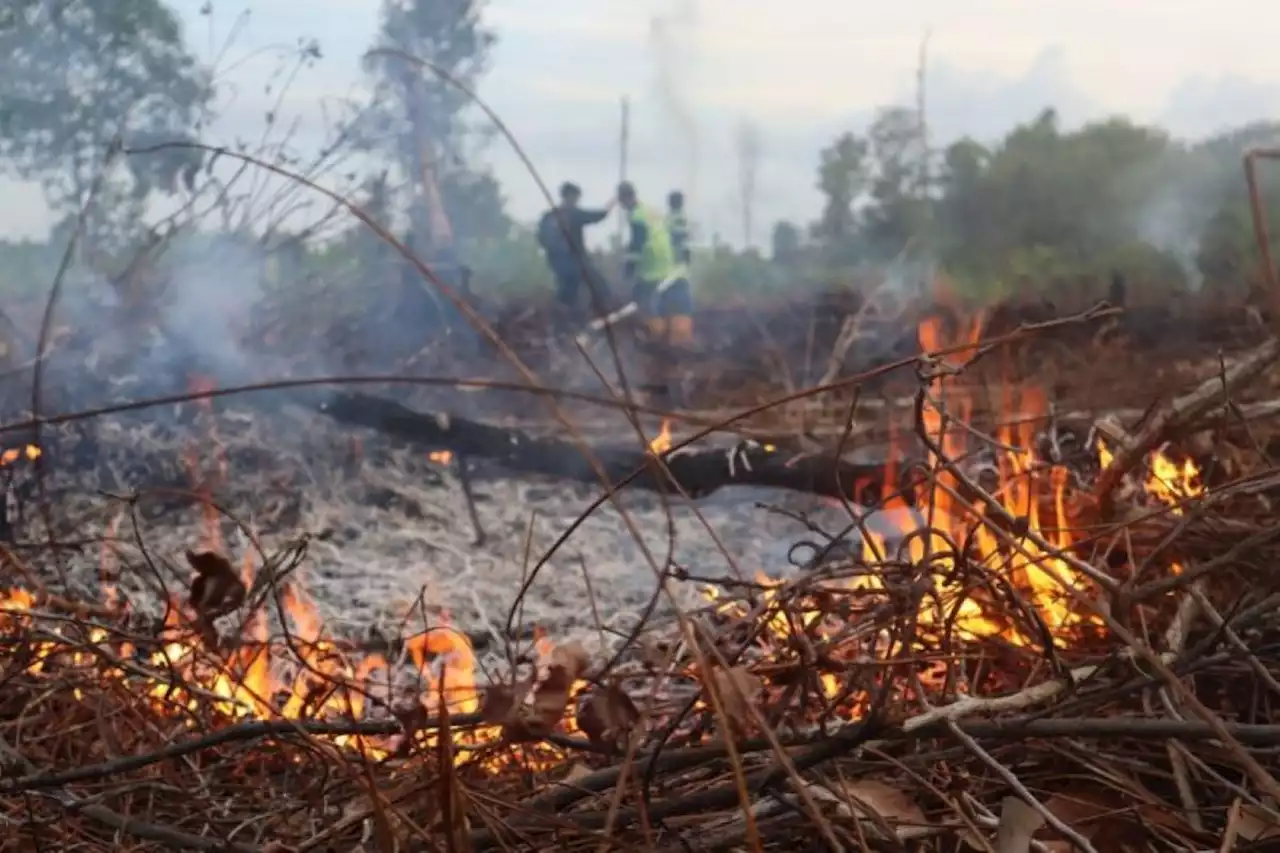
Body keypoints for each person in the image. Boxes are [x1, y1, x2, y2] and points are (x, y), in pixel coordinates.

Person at [536, 182, 613, 319]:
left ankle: (567, 315)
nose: (577, 201)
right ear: (569, 197)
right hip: (574, 261)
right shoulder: (573, 214)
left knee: (569, 288)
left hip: (557, 262)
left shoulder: (549, 215)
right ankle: (595, 312)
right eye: (576, 197)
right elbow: (598, 216)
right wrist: (612, 204)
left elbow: (541, 239)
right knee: (595, 283)